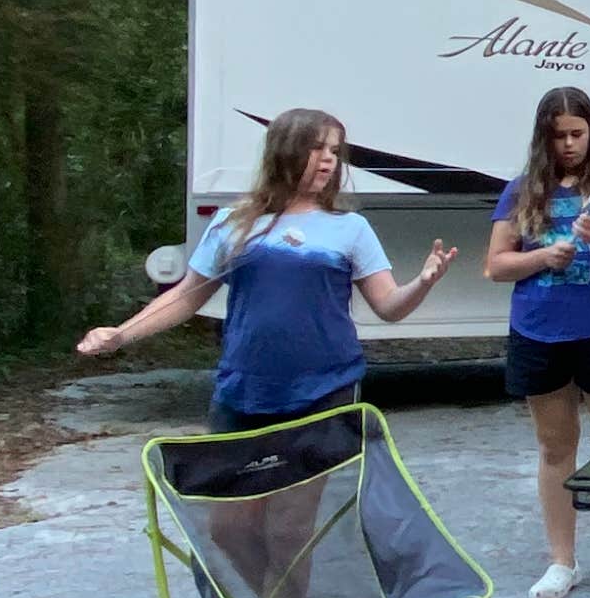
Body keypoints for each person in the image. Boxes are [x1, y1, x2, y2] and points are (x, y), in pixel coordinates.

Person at [78, 107, 457, 437]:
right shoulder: (234, 221)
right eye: (317, 148)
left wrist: (422, 283)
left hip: (326, 388)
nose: (328, 160)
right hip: (244, 389)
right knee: (230, 520)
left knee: (295, 518)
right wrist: (121, 334)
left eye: (335, 151)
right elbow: (186, 295)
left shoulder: (351, 227)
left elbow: (389, 307)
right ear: (285, 152)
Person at [482, 85, 590, 598]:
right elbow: (495, 265)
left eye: (577, 134)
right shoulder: (521, 191)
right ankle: (563, 563)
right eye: (558, 137)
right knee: (557, 448)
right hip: (539, 330)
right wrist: (541, 258)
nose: (569, 145)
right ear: (543, 139)